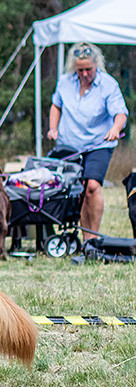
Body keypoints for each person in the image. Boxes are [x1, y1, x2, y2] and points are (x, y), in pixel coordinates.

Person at [47, 42, 129, 240]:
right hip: (70, 144)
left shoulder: (108, 85)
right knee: (77, 190)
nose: (84, 74)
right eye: (80, 70)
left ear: (96, 65)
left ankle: (94, 237)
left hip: (98, 143)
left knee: (92, 185)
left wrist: (116, 128)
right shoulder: (65, 82)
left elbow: (120, 112)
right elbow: (56, 106)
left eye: (88, 69)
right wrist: (53, 128)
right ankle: (86, 239)